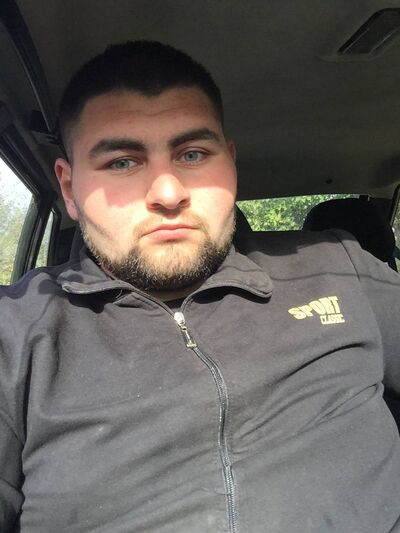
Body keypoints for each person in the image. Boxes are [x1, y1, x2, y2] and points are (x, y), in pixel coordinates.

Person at [0, 41, 399, 533]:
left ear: (230, 163)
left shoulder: (337, 268)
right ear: (69, 188)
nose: (168, 194)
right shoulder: (16, 334)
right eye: (122, 162)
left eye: (192, 154)